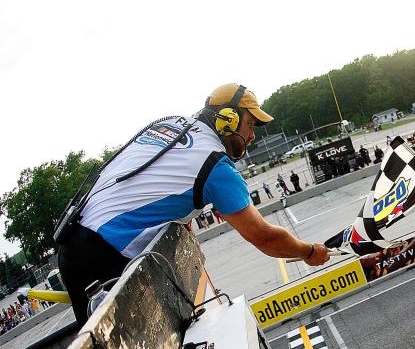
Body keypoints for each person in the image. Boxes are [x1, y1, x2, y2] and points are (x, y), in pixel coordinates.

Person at [56, 83, 330, 324]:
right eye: (250, 125)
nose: (252, 136)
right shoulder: (215, 167)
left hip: (73, 243)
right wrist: (308, 252)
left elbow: (157, 183)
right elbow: (264, 237)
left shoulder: (170, 126)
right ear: (228, 120)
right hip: (105, 260)